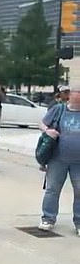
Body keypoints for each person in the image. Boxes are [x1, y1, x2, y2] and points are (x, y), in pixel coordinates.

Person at [37, 84, 80, 237]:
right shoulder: (59, 109)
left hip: (78, 162)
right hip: (57, 158)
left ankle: (79, 222)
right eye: (78, 92)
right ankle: (48, 218)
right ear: (72, 94)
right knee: (52, 189)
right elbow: (42, 123)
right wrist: (48, 131)